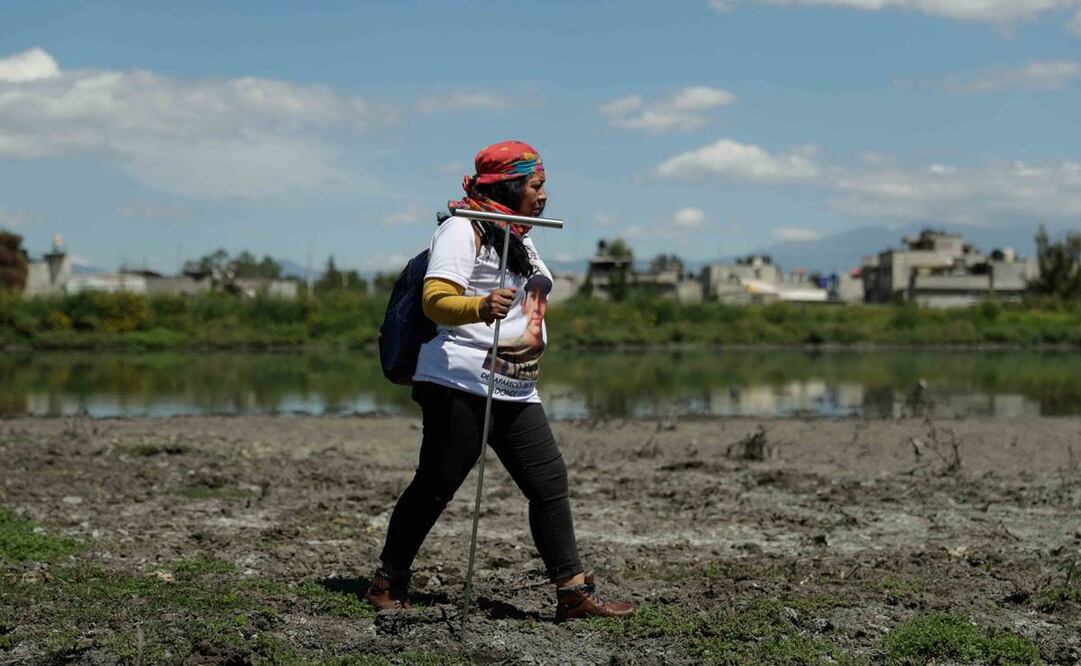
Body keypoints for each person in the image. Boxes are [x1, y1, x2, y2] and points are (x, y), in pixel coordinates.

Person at [367, 140, 635, 622]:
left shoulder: (519, 234)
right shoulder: (461, 229)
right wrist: (478, 306)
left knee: (549, 480)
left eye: (544, 183)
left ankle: (572, 592)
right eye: (536, 184)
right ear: (510, 186)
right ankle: (388, 581)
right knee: (436, 485)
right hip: (459, 383)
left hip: (514, 384)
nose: (545, 193)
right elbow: (436, 299)